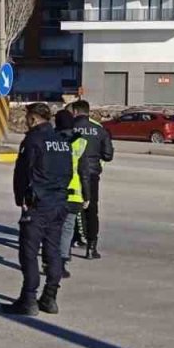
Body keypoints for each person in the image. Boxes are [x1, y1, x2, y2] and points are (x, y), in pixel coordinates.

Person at [2, 102, 72, 316]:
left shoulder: (33, 139)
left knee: (29, 253)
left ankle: (29, 299)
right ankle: (50, 297)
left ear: (33, 118)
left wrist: (21, 198)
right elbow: (69, 172)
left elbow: (23, 172)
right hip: (59, 202)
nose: (26, 121)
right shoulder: (62, 141)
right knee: (53, 252)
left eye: (27, 118)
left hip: (37, 204)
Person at [69, 99, 112, 259]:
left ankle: (72, 242)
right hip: (92, 174)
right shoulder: (100, 130)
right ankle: (91, 248)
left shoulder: (69, 129)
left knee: (70, 208)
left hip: (71, 174)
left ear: (74, 112)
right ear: (89, 112)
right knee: (92, 211)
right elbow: (108, 155)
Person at [55, 109, 86, 279]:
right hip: (74, 191)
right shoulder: (80, 142)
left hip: (53, 191)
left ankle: (50, 260)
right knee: (67, 228)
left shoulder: (51, 139)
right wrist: (87, 194)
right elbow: (84, 170)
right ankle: (62, 261)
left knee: (52, 228)